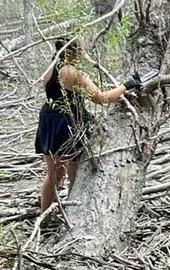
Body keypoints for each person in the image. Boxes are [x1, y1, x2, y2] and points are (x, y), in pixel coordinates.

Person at [35, 38, 143, 212]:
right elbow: (103, 99)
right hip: (65, 123)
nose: (84, 53)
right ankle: (73, 212)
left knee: (53, 173)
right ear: (73, 52)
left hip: (49, 118)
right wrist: (127, 85)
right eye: (81, 49)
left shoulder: (51, 67)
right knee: (74, 172)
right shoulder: (72, 73)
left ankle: (45, 215)